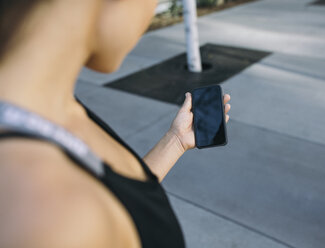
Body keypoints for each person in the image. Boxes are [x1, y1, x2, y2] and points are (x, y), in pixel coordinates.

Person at [0, 0, 231, 247]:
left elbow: (121, 204)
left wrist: (175, 142)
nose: (149, 13)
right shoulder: (51, 216)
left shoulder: (49, 104)